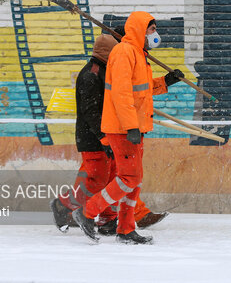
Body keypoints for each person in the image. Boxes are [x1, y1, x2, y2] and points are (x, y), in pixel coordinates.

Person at [50, 27, 176, 235]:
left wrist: (164, 83)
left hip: (111, 134)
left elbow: (137, 89)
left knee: (116, 177)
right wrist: (103, 138)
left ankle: (108, 219)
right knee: (98, 179)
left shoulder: (109, 71)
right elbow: (91, 112)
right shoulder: (90, 75)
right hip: (94, 137)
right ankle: (64, 206)